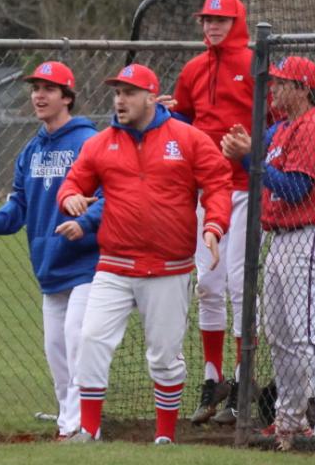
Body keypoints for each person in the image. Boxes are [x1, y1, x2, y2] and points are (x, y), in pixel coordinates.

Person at [56, 63, 233, 444]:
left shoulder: (187, 138)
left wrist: (214, 225)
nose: (120, 100)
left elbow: (218, 183)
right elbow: (75, 181)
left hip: (168, 267)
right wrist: (69, 196)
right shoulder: (101, 143)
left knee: (164, 356)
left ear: (152, 97)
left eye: (129, 92)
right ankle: (88, 430)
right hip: (114, 265)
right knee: (90, 340)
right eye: (117, 93)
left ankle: (165, 436)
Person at [220, 56, 315, 439]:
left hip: (307, 234)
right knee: (279, 333)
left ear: (303, 89)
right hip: (280, 238)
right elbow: (253, 152)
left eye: (282, 83)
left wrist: (249, 156)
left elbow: (295, 188)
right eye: (273, 82)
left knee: (308, 333)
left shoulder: (314, 126)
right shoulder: (280, 129)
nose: (273, 89)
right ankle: (291, 419)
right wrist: (244, 148)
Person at [0, 61, 102, 439]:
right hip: (48, 264)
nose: (38, 96)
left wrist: (87, 218)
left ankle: (81, 425)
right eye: (35, 89)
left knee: (78, 341)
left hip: (85, 261)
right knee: (55, 350)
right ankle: (67, 421)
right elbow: (20, 205)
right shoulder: (31, 150)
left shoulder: (87, 143)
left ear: (67, 97)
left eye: (48, 88)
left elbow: (109, 196)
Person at [160, 0, 253, 425]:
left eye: (220, 20)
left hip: (249, 188)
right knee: (208, 285)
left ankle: (243, 379)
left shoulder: (255, 64)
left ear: (238, 23)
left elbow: (276, 119)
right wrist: (164, 117)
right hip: (207, 191)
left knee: (239, 285)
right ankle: (213, 379)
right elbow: (186, 120)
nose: (211, 27)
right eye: (206, 20)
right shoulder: (195, 69)